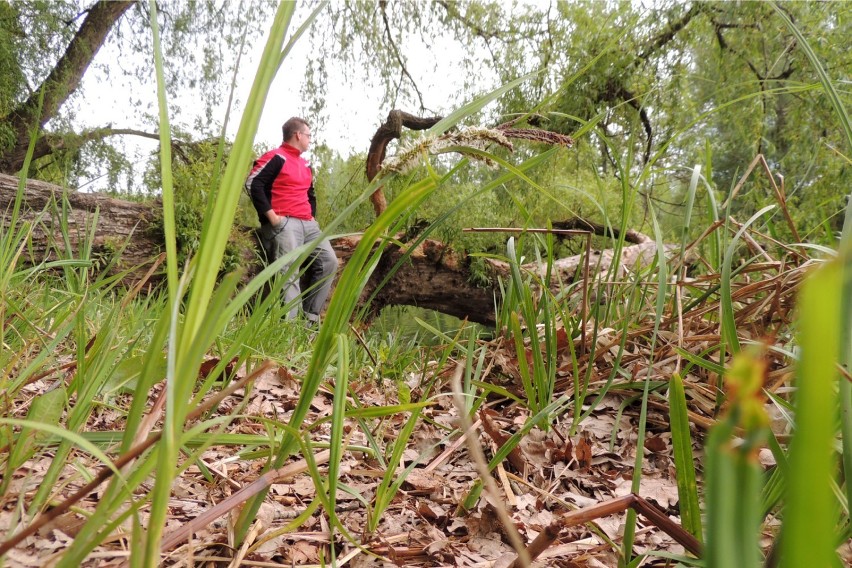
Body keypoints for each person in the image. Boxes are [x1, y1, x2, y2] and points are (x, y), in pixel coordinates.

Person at [245, 117, 338, 323]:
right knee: (289, 271)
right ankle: (288, 328)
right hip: (284, 223)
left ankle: (310, 319)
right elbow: (253, 183)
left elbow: (310, 193)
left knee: (329, 261)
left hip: (309, 224)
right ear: (298, 135)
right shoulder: (276, 157)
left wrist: (312, 217)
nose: (310, 140)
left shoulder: (305, 164)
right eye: (308, 135)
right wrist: (272, 218)